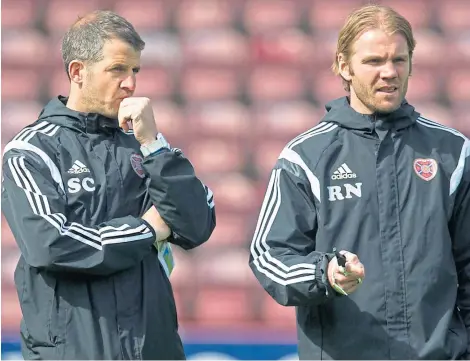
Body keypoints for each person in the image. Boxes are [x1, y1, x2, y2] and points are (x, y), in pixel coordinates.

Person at [249, 4, 470, 360]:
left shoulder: (452, 152)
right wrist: (325, 274)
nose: (389, 72)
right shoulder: (305, 156)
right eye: (373, 61)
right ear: (343, 65)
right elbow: (268, 256)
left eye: (399, 60)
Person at [2, 10, 216, 360]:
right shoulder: (31, 151)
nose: (130, 83)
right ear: (77, 72)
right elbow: (50, 244)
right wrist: (146, 230)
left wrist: (154, 145)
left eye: (135, 71)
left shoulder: (146, 147)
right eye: (117, 69)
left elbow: (197, 224)